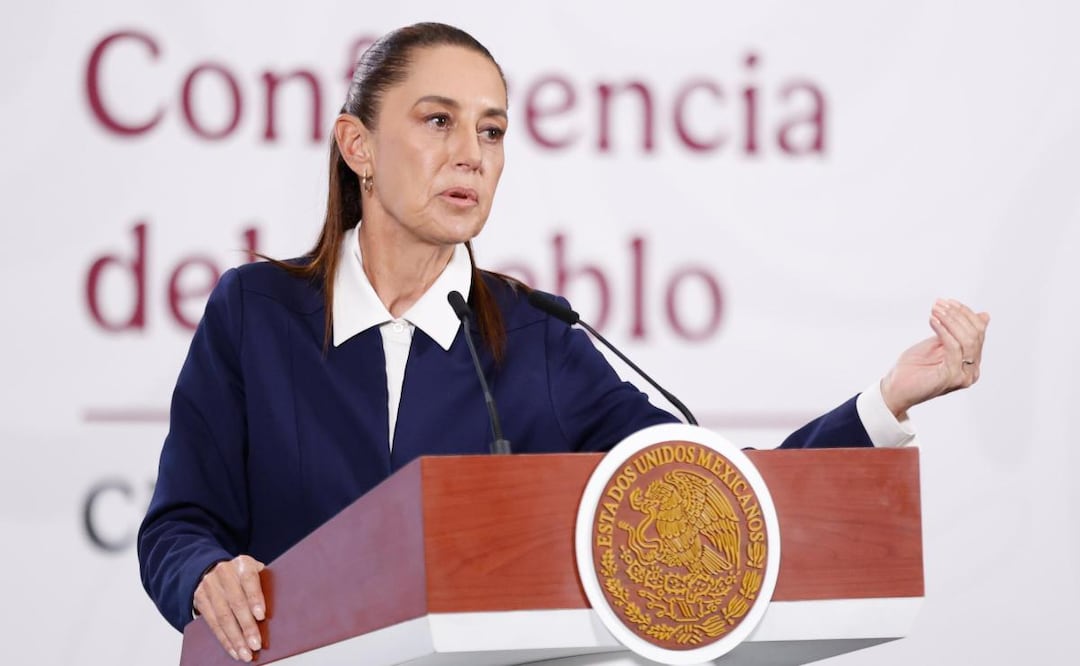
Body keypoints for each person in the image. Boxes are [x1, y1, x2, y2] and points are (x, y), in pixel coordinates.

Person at [137, 22, 989, 663]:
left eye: (492, 130)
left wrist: (883, 405)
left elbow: (711, 496)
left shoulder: (537, 341)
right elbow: (178, 525)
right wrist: (205, 576)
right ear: (357, 144)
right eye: (437, 121)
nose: (469, 154)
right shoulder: (255, 314)